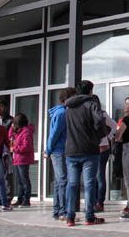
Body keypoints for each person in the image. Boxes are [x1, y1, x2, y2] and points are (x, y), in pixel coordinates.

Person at [64, 80, 110, 226]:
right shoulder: (92, 104)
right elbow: (99, 123)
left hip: (71, 150)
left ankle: (70, 217)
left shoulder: (69, 107)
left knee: (72, 184)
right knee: (90, 183)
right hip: (89, 150)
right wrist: (99, 137)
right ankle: (89, 217)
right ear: (90, 90)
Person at [47, 87, 75, 221]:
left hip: (59, 150)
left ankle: (57, 211)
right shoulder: (62, 113)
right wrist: (48, 149)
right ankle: (62, 211)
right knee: (63, 180)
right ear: (67, 99)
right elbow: (54, 134)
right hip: (59, 151)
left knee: (59, 182)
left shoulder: (61, 112)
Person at [9, 112, 36, 207]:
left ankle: (26, 199)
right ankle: (20, 198)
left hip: (23, 159)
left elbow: (26, 147)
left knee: (24, 180)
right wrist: (12, 129)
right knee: (19, 181)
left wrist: (15, 148)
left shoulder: (26, 132)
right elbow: (10, 137)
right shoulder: (19, 132)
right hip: (17, 159)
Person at [95, 102, 117, 212]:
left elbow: (115, 126)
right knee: (93, 176)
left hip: (102, 148)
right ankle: (94, 202)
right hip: (92, 148)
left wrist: (108, 137)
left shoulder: (102, 114)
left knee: (99, 175)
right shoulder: (88, 113)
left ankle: (99, 202)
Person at [0, 100, 13, 206]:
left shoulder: (10, 120)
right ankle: (0, 197)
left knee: (6, 175)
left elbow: (11, 136)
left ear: (5, 108)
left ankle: (8, 197)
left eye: (1, 106)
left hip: (6, 151)